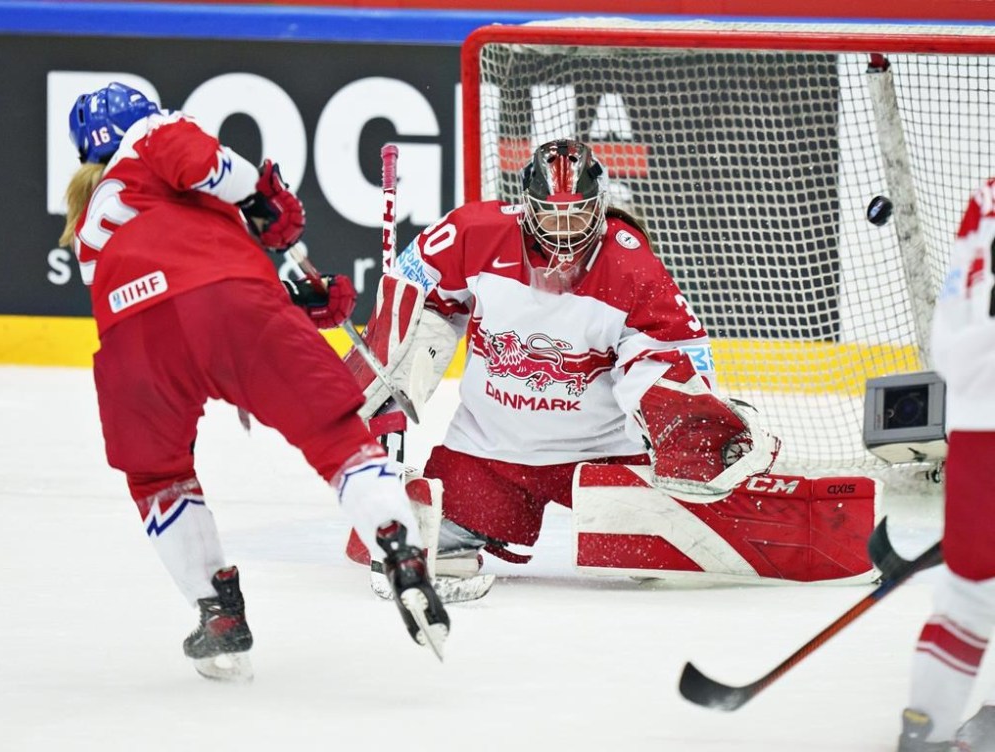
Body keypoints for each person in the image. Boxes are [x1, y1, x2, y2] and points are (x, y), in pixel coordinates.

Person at [59, 81, 449, 680]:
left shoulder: (91, 222)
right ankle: (398, 547)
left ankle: (217, 612)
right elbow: (209, 179)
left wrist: (286, 297)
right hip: (227, 304)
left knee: (159, 476)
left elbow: (170, 298)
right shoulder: (152, 133)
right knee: (335, 435)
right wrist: (265, 200)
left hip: (131, 341)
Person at [355, 138, 876, 587]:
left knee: (659, 542)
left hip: (600, 457)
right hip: (488, 451)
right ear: (526, 207)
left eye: (577, 214)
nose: (564, 229)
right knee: (417, 536)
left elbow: (667, 351)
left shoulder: (630, 265)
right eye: (550, 214)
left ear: (600, 206)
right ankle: (470, 521)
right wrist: (396, 360)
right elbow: (417, 292)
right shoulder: (474, 233)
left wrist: (683, 422)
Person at [897, 178, 995, 751]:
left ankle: (925, 729)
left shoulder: (987, 200)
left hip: (979, 419)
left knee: (970, 591)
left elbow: (951, 331)